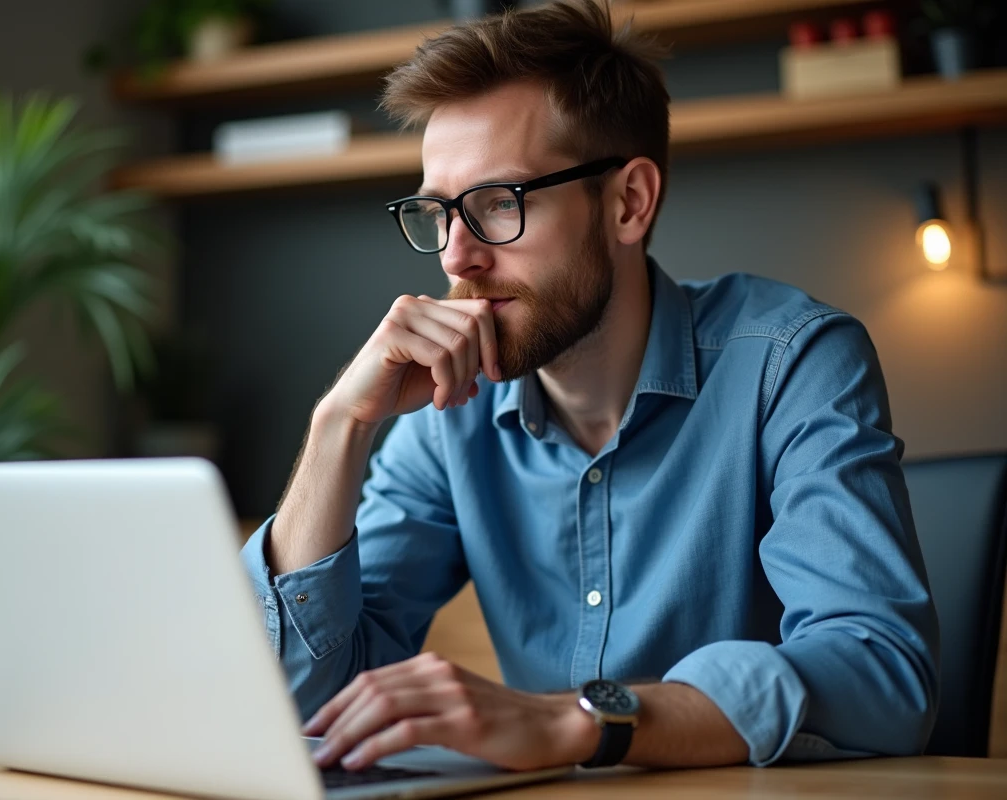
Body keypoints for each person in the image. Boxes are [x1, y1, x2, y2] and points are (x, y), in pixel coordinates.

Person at [240, 0, 938, 774]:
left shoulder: (790, 362)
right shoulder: (448, 417)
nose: (456, 258)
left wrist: (581, 721)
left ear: (628, 202)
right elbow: (296, 703)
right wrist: (340, 423)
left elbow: (882, 674)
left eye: (500, 203)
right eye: (439, 213)